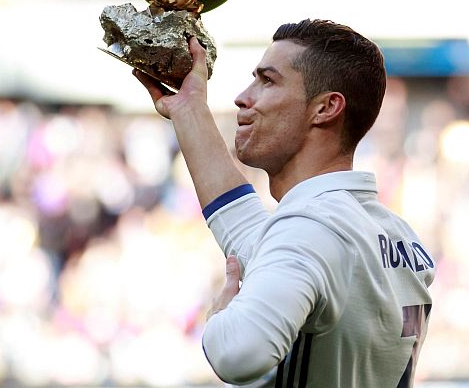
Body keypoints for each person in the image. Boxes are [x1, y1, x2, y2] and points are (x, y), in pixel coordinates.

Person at [133, 19, 435, 387]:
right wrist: (189, 110)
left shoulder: (313, 225)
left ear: (325, 108)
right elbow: (245, 225)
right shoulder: (391, 231)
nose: (243, 97)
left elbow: (237, 353)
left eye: (268, 80)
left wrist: (220, 315)